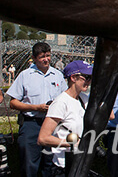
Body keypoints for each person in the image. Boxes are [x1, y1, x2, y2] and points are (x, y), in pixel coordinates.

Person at [7, 42, 67, 177]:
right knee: (29, 164)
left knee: (50, 164)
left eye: (48, 56)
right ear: (34, 58)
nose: (46, 59)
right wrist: (35, 107)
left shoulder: (57, 75)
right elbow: (13, 103)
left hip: (52, 125)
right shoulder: (25, 75)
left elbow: (66, 100)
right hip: (31, 124)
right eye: (42, 57)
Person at [37, 61, 93, 176]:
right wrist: (71, 144)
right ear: (73, 77)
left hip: (81, 163)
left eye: (91, 78)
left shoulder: (83, 98)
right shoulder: (61, 102)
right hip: (64, 166)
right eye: (86, 77)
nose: (89, 81)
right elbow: (43, 138)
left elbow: (110, 116)